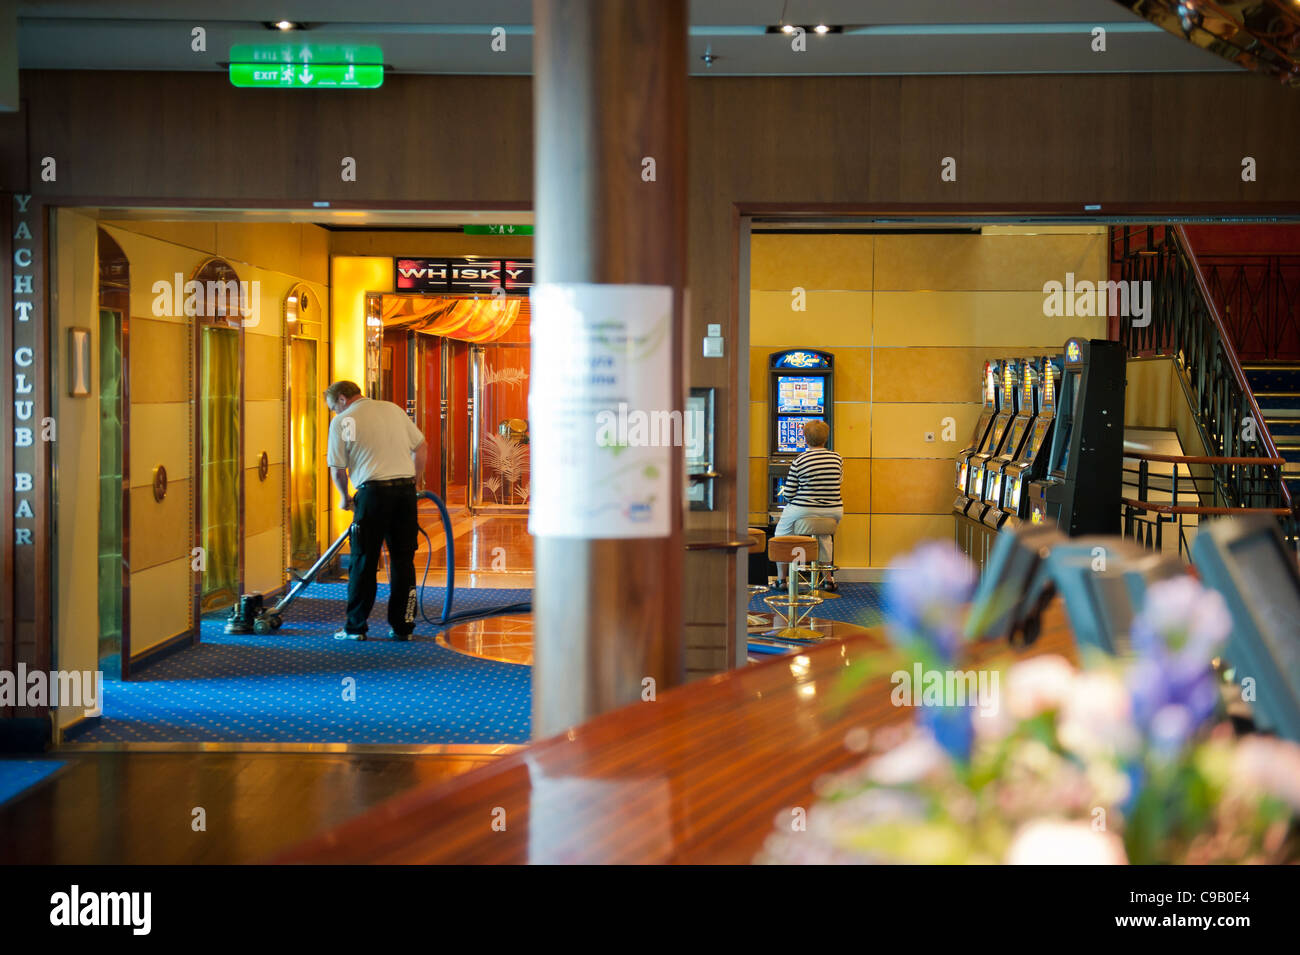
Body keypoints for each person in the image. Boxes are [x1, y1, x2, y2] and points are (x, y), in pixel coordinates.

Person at [324, 380, 428, 641]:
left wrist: (343, 498)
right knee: (404, 561)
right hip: (404, 494)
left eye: (333, 408)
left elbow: (338, 469)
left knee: (363, 560)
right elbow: (421, 447)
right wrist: (413, 482)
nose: (335, 414)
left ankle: (355, 627)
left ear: (342, 399)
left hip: (372, 495)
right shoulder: (393, 409)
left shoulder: (343, 421)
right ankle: (404, 627)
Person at [773, 419, 843, 592]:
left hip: (803, 508)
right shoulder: (837, 458)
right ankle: (828, 579)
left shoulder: (800, 460)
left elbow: (788, 493)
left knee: (781, 534)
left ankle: (782, 579)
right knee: (824, 536)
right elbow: (838, 481)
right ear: (826, 438)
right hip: (833, 510)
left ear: (805, 438)